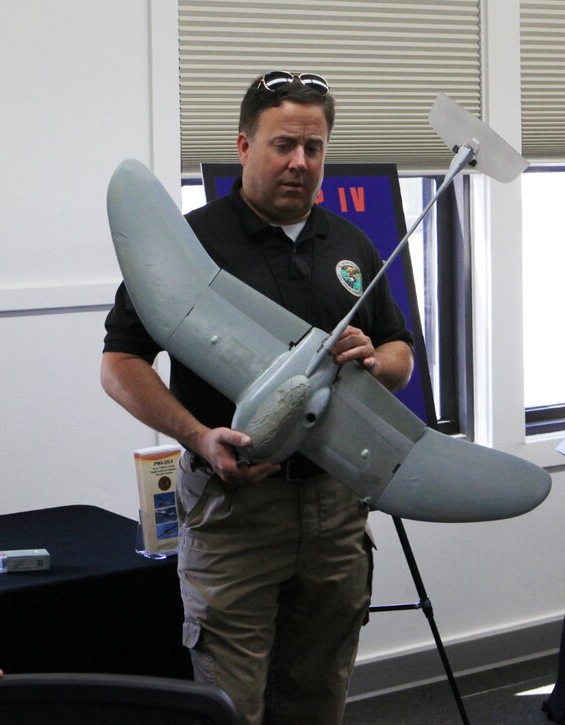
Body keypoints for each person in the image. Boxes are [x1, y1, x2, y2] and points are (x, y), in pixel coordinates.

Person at [101, 71, 414, 724]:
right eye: (282, 145)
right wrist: (196, 435)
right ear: (244, 146)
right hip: (233, 511)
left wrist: (373, 361)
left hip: (335, 512)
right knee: (229, 706)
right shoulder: (187, 246)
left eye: (313, 147)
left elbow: (401, 354)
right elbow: (119, 364)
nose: (299, 162)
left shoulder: (352, 245)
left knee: (317, 699)